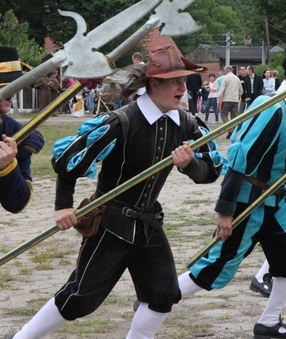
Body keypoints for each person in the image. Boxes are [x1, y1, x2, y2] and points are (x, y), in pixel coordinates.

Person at [13, 37, 224, 339]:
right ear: (152, 84)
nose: (182, 88)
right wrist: (63, 206)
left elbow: (210, 173)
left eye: (185, 81)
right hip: (110, 224)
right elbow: (68, 161)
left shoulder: (187, 124)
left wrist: (189, 164)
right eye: (174, 82)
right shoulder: (122, 121)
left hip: (150, 224)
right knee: (81, 298)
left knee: (164, 294)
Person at [179, 54, 286, 339]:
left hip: (276, 199)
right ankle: (162, 297)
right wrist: (225, 210)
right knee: (218, 265)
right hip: (247, 199)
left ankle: (269, 322)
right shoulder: (270, 107)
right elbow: (241, 157)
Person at [0, 47, 45, 214]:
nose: (12, 92)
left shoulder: (18, 135)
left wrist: (7, 168)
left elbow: (17, 203)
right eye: (6, 87)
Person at [217, 65, 242, 130]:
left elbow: (222, 89)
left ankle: (230, 129)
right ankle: (233, 131)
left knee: (223, 115)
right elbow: (241, 90)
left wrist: (219, 99)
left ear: (226, 70)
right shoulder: (237, 78)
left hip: (226, 99)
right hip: (235, 100)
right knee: (234, 117)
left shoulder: (225, 78)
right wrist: (237, 96)